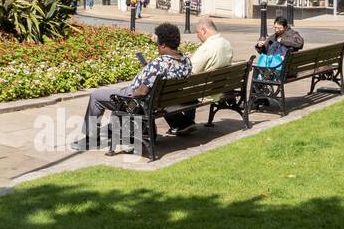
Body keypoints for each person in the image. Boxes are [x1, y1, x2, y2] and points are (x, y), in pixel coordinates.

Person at [77, 22, 191, 151]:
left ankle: (91, 138)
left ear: (163, 45)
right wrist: (147, 72)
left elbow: (140, 93)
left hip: (138, 101)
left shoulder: (158, 64)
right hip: (162, 100)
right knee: (111, 92)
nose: (157, 47)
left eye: (158, 44)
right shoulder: (185, 60)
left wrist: (127, 98)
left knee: (96, 96)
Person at [164, 17, 234, 136]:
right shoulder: (226, 43)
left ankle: (180, 124)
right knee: (194, 85)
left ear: (203, 30)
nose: (197, 36)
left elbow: (190, 71)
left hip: (204, 92)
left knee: (165, 94)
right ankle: (188, 121)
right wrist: (193, 57)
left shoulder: (207, 47)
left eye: (197, 33)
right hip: (219, 88)